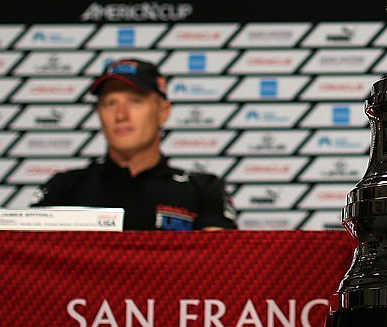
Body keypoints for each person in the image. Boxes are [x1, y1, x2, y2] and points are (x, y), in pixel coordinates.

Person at [32, 59, 237, 230]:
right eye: (110, 103)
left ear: (163, 112)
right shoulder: (64, 188)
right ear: (99, 114)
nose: (121, 115)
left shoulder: (203, 190)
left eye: (135, 101)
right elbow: (23, 261)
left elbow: (220, 265)